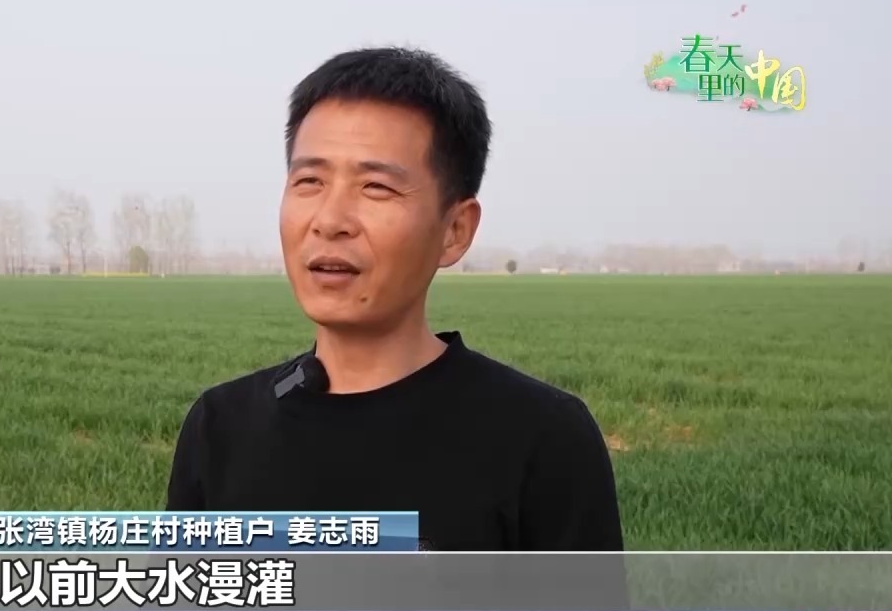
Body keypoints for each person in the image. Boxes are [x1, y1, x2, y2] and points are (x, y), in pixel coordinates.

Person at [165, 46, 624, 552]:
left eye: (376, 188)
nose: (330, 220)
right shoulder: (221, 427)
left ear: (455, 230)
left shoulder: (542, 439)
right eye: (309, 181)